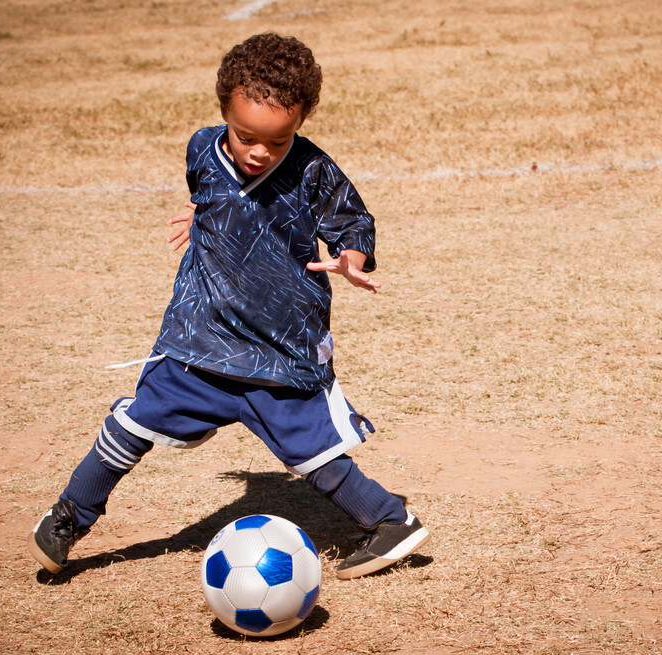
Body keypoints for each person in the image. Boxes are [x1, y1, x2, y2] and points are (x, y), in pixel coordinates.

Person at [27, 33, 429, 580]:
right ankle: (71, 514)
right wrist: (206, 218)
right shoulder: (200, 148)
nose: (259, 151)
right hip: (202, 338)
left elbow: (353, 221)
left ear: (302, 121)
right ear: (223, 114)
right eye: (246, 137)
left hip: (277, 351)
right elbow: (212, 194)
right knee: (133, 422)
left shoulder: (313, 170)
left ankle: (390, 521)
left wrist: (351, 256)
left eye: (278, 140)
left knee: (311, 455)